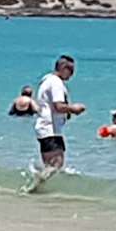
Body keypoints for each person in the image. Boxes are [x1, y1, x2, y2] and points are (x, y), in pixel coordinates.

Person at [29, 55, 82, 188]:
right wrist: (74, 109)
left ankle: (38, 186)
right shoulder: (56, 82)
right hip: (50, 129)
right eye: (71, 71)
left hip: (44, 128)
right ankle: (34, 185)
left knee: (50, 165)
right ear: (63, 68)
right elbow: (58, 106)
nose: (72, 75)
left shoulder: (46, 80)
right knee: (57, 164)